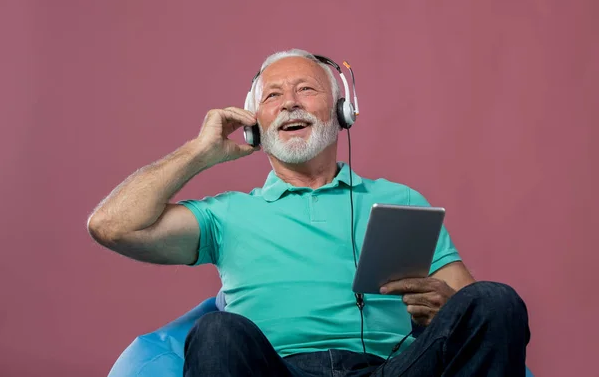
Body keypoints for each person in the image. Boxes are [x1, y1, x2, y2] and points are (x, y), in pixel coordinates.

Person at [88, 49, 530, 376]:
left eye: (306, 89)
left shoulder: (400, 199)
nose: (289, 103)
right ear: (255, 124)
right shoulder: (225, 215)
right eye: (273, 95)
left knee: (496, 299)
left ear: (343, 113)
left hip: (393, 370)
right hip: (275, 371)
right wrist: (199, 152)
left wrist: (445, 307)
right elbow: (111, 226)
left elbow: (474, 312)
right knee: (217, 331)